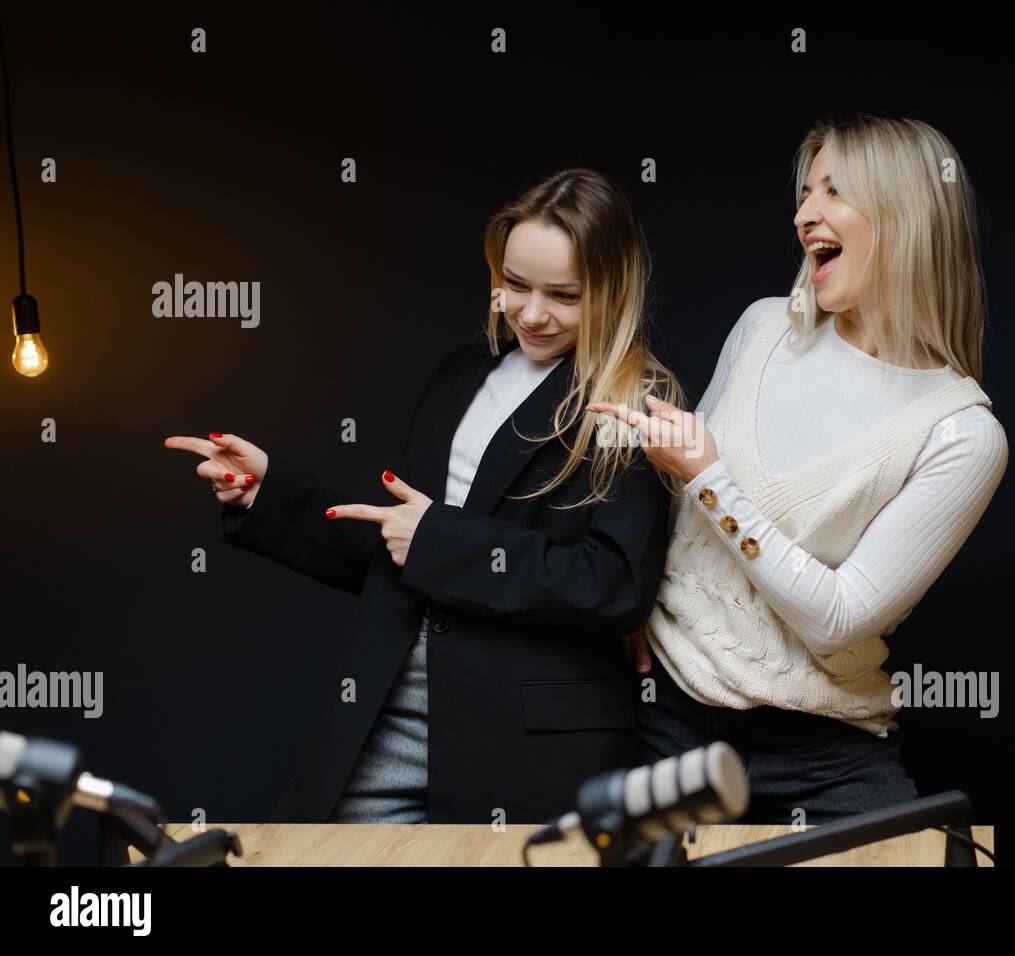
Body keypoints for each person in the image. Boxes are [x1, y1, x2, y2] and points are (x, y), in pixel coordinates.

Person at [165, 167, 684, 824]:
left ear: (612, 291)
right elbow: (399, 545)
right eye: (514, 284)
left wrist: (439, 538)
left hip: (526, 751)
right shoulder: (461, 375)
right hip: (387, 722)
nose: (529, 311)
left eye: (563, 295)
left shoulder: (636, 406)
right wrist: (267, 490)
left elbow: (613, 583)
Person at [589, 114, 1010, 826]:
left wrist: (711, 479)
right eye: (804, 191)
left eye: (833, 191)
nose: (803, 213)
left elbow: (837, 621)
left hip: (823, 746)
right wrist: (630, 599)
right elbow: (678, 517)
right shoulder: (762, 328)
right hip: (667, 714)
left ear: (905, 217)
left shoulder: (961, 434)